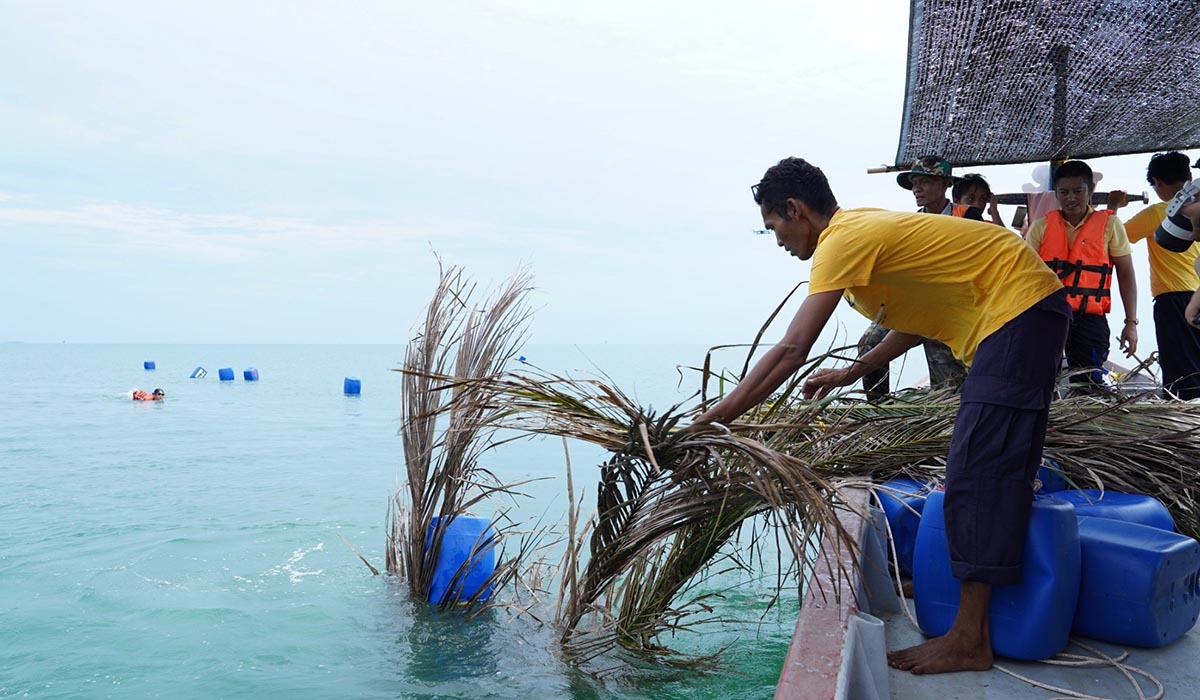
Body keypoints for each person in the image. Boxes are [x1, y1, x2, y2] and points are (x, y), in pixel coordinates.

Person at [692, 157, 1068, 674]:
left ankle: (969, 639)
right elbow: (915, 319)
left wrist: (716, 419)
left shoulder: (840, 241)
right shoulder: (857, 235)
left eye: (774, 225)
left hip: (1017, 309)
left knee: (978, 472)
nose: (777, 239)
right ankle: (970, 611)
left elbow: (790, 350)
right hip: (1021, 312)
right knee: (994, 467)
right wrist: (856, 371)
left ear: (795, 210)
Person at [856, 156, 975, 397]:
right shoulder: (911, 223)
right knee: (868, 342)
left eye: (924, 182)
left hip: (954, 308)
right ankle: (879, 408)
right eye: (914, 183)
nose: (916, 189)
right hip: (914, 305)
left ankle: (945, 412)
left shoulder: (969, 217)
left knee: (946, 387)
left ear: (944, 184)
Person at [1024, 160, 1138, 391]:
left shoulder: (1110, 225)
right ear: (1056, 194)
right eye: (1064, 192)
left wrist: (1131, 323)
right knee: (1040, 382)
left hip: (1089, 319)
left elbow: (1126, 275)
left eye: (1078, 191)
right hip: (1047, 315)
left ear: (1091, 190)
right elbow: (1023, 275)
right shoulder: (1040, 227)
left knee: (1089, 383)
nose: (1071, 198)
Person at [1116, 152, 1200, 399]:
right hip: (1197, 296)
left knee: (1181, 374)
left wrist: (1114, 208)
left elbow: (1115, 238)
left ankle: (1184, 427)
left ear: (1157, 182)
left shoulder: (1158, 212)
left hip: (1173, 300)